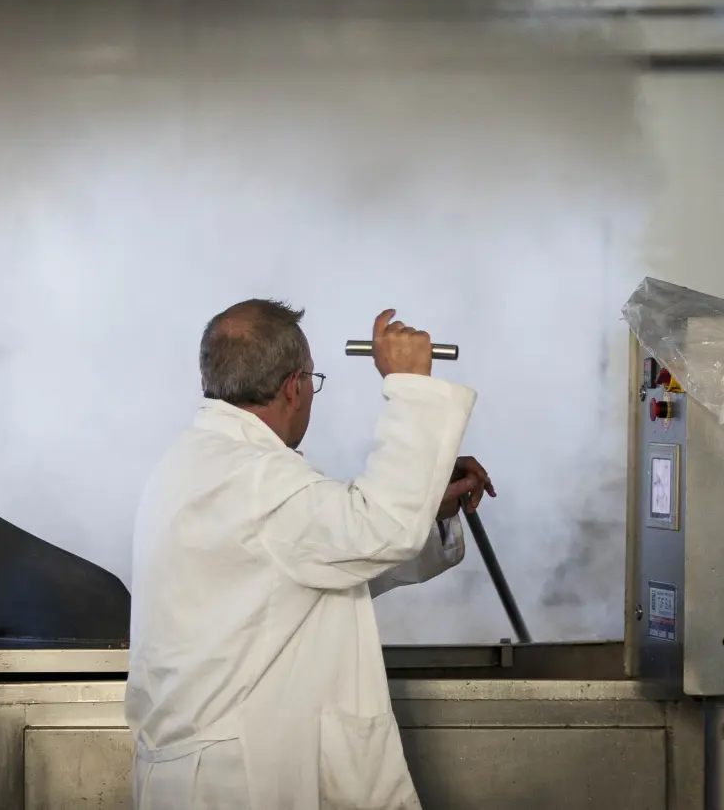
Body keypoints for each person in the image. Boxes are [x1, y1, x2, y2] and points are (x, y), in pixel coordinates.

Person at [127, 299, 494, 810]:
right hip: (240, 781)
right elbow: (379, 530)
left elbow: (333, 560)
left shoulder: (200, 462)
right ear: (294, 387)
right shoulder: (254, 477)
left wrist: (425, 501)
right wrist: (411, 387)